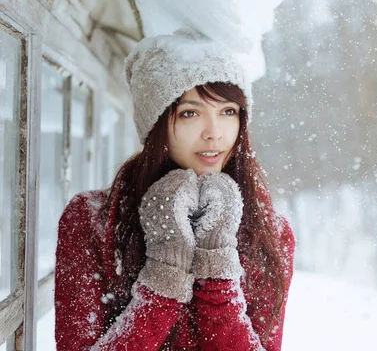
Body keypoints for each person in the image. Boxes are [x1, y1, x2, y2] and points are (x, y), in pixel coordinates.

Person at [54, 28, 295, 350]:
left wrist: (218, 271)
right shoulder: (91, 219)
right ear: (154, 124)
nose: (214, 134)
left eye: (228, 112)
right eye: (190, 113)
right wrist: (163, 277)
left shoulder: (270, 233)